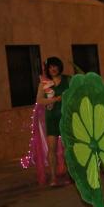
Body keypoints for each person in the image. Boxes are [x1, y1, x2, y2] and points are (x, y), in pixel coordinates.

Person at [36, 57, 71, 186]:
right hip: (51, 118)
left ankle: (69, 174)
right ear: (48, 69)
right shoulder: (44, 83)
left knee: (68, 148)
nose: (53, 69)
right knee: (52, 148)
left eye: (55, 66)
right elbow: (39, 100)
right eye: (50, 67)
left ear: (59, 67)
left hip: (66, 118)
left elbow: (75, 93)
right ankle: (53, 177)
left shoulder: (68, 80)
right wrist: (54, 100)